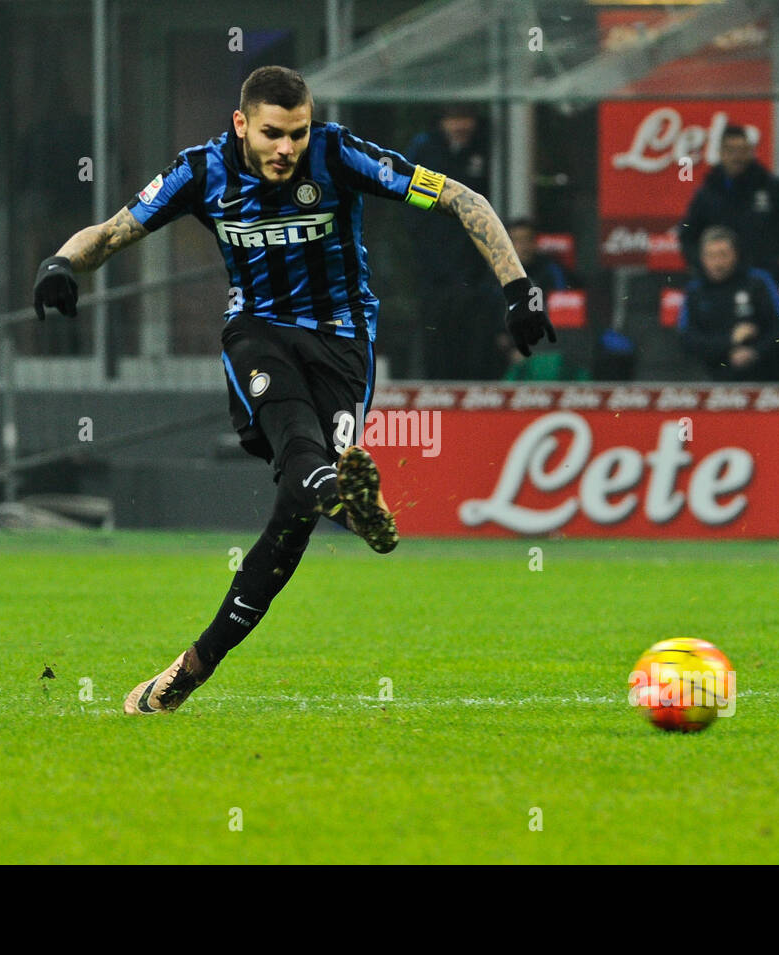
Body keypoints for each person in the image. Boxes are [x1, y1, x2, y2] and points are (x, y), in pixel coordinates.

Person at [32, 67, 554, 714]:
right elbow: (112, 232)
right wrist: (60, 263)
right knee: (300, 449)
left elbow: (460, 198)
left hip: (342, 343)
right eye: (274, 134)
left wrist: (518, 287)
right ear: (241, 125)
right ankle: (346, 497)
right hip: (259, 333)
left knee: (292, 516)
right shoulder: (201, 171)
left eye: (298, 134)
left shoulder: (337, 153)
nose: (287, 149)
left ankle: (189, 668)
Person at [405, 104, 507, 380]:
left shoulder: (488, 147)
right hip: (436, 271)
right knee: (438, 342)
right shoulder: (426, 150)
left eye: (467, 118)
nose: (461, 126)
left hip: (476, 270)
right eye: (454, 119)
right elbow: (415, 208)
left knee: (475, 344)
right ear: (442, 122)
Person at [679, 125, 779, 282]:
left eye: (743, 151)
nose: (737, 157)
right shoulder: (707, 193)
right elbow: (687, 234)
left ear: (751, 152)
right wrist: (703, 266)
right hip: (722, 283)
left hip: (768, 279)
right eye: (731, 151)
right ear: (721, 154)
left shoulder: (773, 188)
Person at [677, 226, 779, 381]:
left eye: (723, 255)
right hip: (710, 377)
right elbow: (687, 339)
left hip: (762, 374)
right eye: (711, 256)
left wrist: (755, 352)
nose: (717, 263)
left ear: (735, 255)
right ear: (702, 258)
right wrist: (729, 341)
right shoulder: (694, 291)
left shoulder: (759, 282)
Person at [499, 218, 586, 381]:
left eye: (527, 240)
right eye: (517, 241)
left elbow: (562, 316)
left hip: (543, 348)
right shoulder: (498, 272)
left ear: (535, 243)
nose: (523, 246)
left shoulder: (552, 272)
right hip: (507, 346)